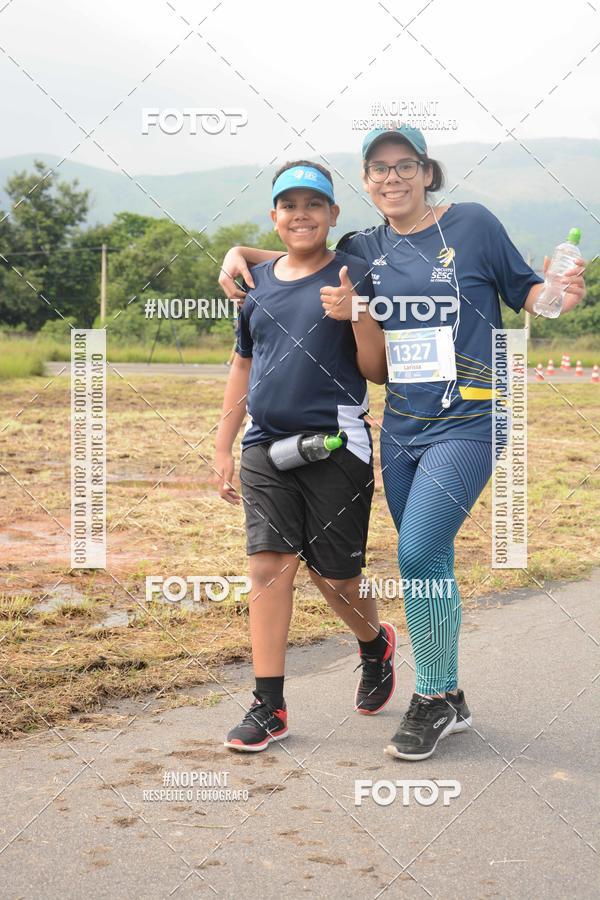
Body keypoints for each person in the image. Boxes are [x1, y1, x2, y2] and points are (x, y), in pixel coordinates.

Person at [218, 127, 587, 761]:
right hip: (404, 424)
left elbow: (531, 292)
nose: (393, 178)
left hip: (471, 416)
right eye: (379, 169)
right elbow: (299, 250)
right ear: (365, 183)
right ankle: (450, 696)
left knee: (419, 550)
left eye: (405, 165)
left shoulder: (471, 225)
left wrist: (557, 294)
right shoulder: (365, 247)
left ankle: (434, 697)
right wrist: (236, 250)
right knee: (425, 561)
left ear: (427, 171)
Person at [214, 160, 397, 752]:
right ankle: (269, 705)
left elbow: (378, 369)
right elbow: (243, 364)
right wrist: (223, 444)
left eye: (314, 205)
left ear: (333, 215)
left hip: (338, 445)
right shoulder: (256, 283)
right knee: (269, 568)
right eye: (289, 206)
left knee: (336, 576)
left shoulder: (358, 273)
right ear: (274, 216)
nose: (301, 215)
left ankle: (374, 644)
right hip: (265, 446)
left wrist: (356, 312)